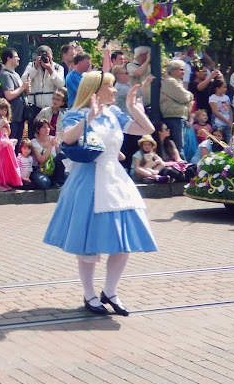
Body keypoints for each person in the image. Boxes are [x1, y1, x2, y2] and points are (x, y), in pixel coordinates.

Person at [43, 71, 157, 317]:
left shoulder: (115, 113)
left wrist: (132, 107)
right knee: (88, 241)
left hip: (115, 179)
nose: (115, 90)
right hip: (88, 179)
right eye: (111, 86)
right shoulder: (76, 113)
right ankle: (89, 293)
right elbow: (68, 139)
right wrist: (90, 118)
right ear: (95, 90)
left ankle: (111, 290)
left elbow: (147, 128)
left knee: (123, 238)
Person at [0, 48, 30, 153]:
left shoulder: (15, 73)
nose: (18, 59)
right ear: (9, 59)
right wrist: (22, 87)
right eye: (16, 57)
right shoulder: (6, 74)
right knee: (9, 147)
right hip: (12, 117)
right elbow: (9, 95)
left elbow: (20, 92)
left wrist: (26, 89)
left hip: (19, 117)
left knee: (16, 147)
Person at [160, 59, 193, 158]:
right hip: (173, 117)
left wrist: (187, 95)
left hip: (179, 117)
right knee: (178, 147)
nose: (183, 72)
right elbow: (185, 97)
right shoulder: (170, 81)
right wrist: (189, 95)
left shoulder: (177, 81)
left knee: (179, 146)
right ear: (173, 70)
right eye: (181, 70)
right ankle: (181, 169)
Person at [21, 45, 65, 120]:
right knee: (33, 130)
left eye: (48, 56)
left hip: (51, 106)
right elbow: (23, 81)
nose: (46, 59)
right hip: (34, 106)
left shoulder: (58, 68)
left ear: (52, 55)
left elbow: (60, 84)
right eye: (43, 57)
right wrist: (35, 68)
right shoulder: (32, 65)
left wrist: (50, 69)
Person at [0, 98, 22, 191]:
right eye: (1, 109)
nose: (3, 112)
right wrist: (1, 124)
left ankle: (4, 182)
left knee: (4, 165)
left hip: (5, 145)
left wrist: (7, 126)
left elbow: (8, 133)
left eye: (5, 109)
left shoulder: (6, 120)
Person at [31, 119, 67, 188]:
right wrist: (51, 146)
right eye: (44, 127)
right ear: (38, 130)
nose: (47, 129)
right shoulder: (34, 142)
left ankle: (58, 181)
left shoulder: (53, 138)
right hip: (41, 170)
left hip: (53, 168)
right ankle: (54, 180)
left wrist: (57, 146)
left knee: (62, 155)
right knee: (44, 183)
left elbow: (61, 156)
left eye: (48, 127)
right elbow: (41, 160)